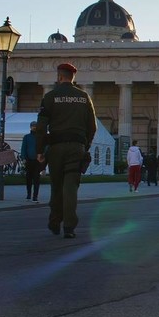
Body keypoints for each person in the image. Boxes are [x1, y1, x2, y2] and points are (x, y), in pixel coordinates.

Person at [35, 62, 97, 240]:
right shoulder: (84, 97)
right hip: (76, 147)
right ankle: (69, 227)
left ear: (59, 76)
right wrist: (85, 146)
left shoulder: (50, 97)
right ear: (73, 77)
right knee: (71, 187)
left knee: (56, 186)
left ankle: (55, 221)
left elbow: (41, 127)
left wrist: (40, 150)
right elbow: (92, 127)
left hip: (56, 147)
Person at [19, 121, 43, 202]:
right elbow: (23, 148)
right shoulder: (27, 137)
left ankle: (35, 196)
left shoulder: (40, 137)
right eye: (33, 126)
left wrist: (42, 157)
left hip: (37, 161)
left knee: (36, 179)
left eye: (35, 126)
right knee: (28, 178)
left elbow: (44, 147)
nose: (34, 127)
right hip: (29, 160)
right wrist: (23, 158)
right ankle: (29, 194)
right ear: (30, 127)